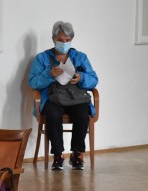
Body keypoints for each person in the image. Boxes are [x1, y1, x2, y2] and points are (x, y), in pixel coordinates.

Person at [28, 21, 99, 170]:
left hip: (76, 97)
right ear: (54, 39)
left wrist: (81, 78)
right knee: (53, 115)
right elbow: (33, 82)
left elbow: (94, 79)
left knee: (82, 113)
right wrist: (48, 74)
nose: (64, 43)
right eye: (60, 40)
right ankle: (58, 155)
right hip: (52, 97)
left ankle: (77, 154)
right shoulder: (42, 58)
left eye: (67, 40)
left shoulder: (80, 57)